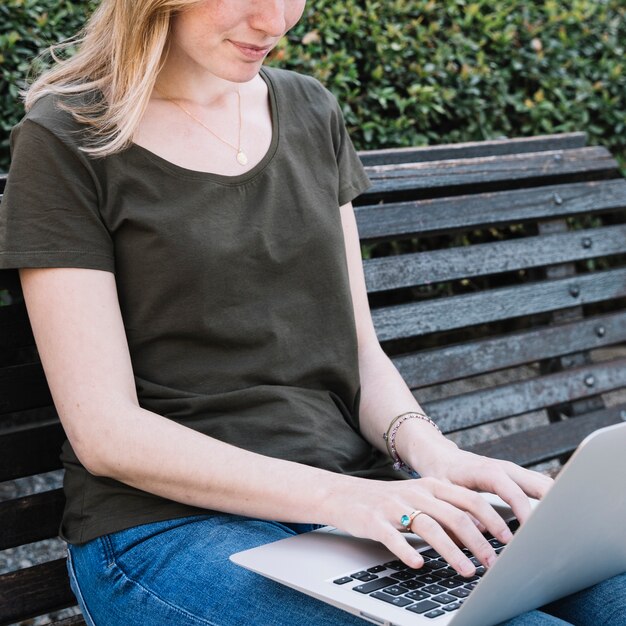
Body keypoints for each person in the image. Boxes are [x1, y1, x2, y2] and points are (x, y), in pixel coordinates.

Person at [0, 1, 624, 624]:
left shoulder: (309, 108)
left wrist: (441, 459)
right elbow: (106, 434)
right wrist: (342, 497)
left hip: (355, 500)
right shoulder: (67, 136)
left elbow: (357, 353)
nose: (276, 22)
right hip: (168, 527)